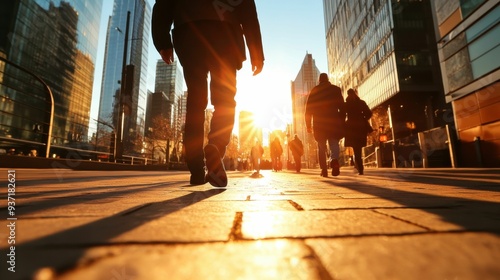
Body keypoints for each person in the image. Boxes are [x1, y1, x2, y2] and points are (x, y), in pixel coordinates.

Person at [152, 0, 265, 187]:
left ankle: (196, 168)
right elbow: (248, 10)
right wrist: (256, 51)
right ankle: (216, 147)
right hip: (225, 34)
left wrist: (162, 40)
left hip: (190, 32)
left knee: (196, 102)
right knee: (225, 100)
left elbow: (164, 4)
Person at [305, 73, 345, 177]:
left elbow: (308, 110)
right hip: (333, 122)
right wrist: (341, 120)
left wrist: (308, 125)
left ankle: (324, 170)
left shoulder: (314, 90)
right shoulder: (336, 89)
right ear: (328, 79)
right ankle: (334, 160)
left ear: (319, 80)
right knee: (334, 143)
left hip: (319, 123)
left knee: (321, 147)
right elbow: (342, 107)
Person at [344, 88, 372, 175]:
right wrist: (363, 118)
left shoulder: (347, 104)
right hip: (361, 127)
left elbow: (342, 114)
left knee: (355, 148)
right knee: (358, 147)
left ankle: (360, 168)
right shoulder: (361, 102)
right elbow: (369, 113)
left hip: (351, 128)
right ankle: (360, 167)